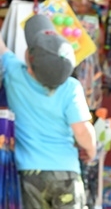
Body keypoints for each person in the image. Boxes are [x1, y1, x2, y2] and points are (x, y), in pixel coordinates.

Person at [0, 14, 96, 209]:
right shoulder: (71, 88)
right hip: (66, 172)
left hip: (29, 173)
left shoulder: (14, 74)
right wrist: (91, 150)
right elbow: (82, 130)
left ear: (30, 66)